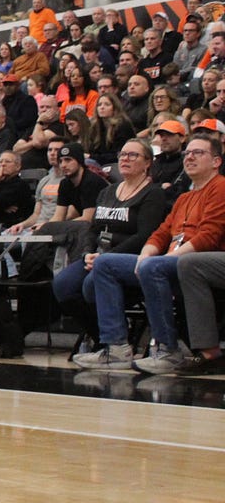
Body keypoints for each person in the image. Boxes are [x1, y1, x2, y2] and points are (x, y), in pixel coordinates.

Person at [76, 137, 225, 372]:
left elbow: (209, 236)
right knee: (105, 263)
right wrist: (147, 253)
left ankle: (167, 349)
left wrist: (161, 260)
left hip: (198, 260)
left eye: (198, 152)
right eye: (187, 153)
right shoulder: (185, 197)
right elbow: (161, 232)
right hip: (170, 260)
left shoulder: (220, 188)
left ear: (216, 161)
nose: (190, 157)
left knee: (151, 267)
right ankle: (116, 348)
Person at [51, 139, 168, 350]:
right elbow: (92, 229)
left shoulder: (153, 193)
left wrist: (107, 257)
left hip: (127, 258)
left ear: (147, 162)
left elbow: (145, 235)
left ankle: (115, 341)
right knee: (63, 286)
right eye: (122, 154)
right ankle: (99, 336)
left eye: (133, 155)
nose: (125, 159)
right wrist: (87, 252)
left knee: (90, 285)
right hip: (97, 255)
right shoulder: (107, 191)